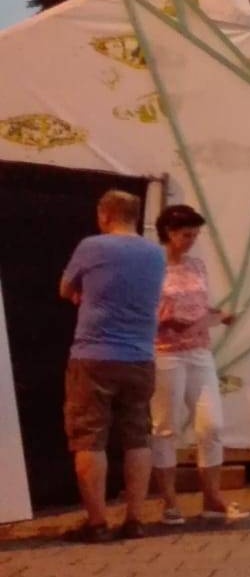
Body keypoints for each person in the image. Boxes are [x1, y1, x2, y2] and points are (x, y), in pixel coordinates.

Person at [58, 190, 166, 542]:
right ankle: (135, 520)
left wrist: (83, 294)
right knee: (137, 437)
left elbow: (65, 289)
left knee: (90, 438)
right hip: (140, 357)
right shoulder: (156, 253)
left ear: (104, 214)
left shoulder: (92, 247)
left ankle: (97, 523)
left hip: (94, 356)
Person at [148, 205, 249, 525]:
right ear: (168, 233)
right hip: (165, 352)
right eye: (185, 235)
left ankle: (212, 498)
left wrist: (219, 315)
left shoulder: (197, 266)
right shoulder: (152, 266)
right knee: (165, 427)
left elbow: (199, 305)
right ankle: (169, 502)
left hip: (199, 350)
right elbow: (143, 310)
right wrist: (168, 321)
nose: (191, 241)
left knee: (211, 425)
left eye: (194, 235)